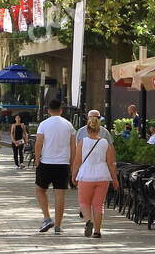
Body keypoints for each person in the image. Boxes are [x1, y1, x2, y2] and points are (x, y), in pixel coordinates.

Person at [71, 111, 119, 238]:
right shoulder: (105, 143)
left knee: (84, 202)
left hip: (86, 176)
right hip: (103, 176)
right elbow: (111, 163)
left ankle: (88, 221)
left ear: (87, 129)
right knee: (98, 204)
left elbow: (77, 161)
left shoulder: (83, 142)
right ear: (99, 130)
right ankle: (97, 231)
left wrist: (73, 175)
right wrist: (114, 179)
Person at [33, 98, 75, 234]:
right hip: (63, 163)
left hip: (46, 162)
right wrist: (72, 163)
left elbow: (39, 143)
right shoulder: (69, 125)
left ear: (48, 110)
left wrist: (37, 159)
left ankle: (47, 217)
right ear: (61, 110)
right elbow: (73, 146)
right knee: (60, 194)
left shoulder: (44, 124)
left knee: (40, 190)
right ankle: (58, 225)